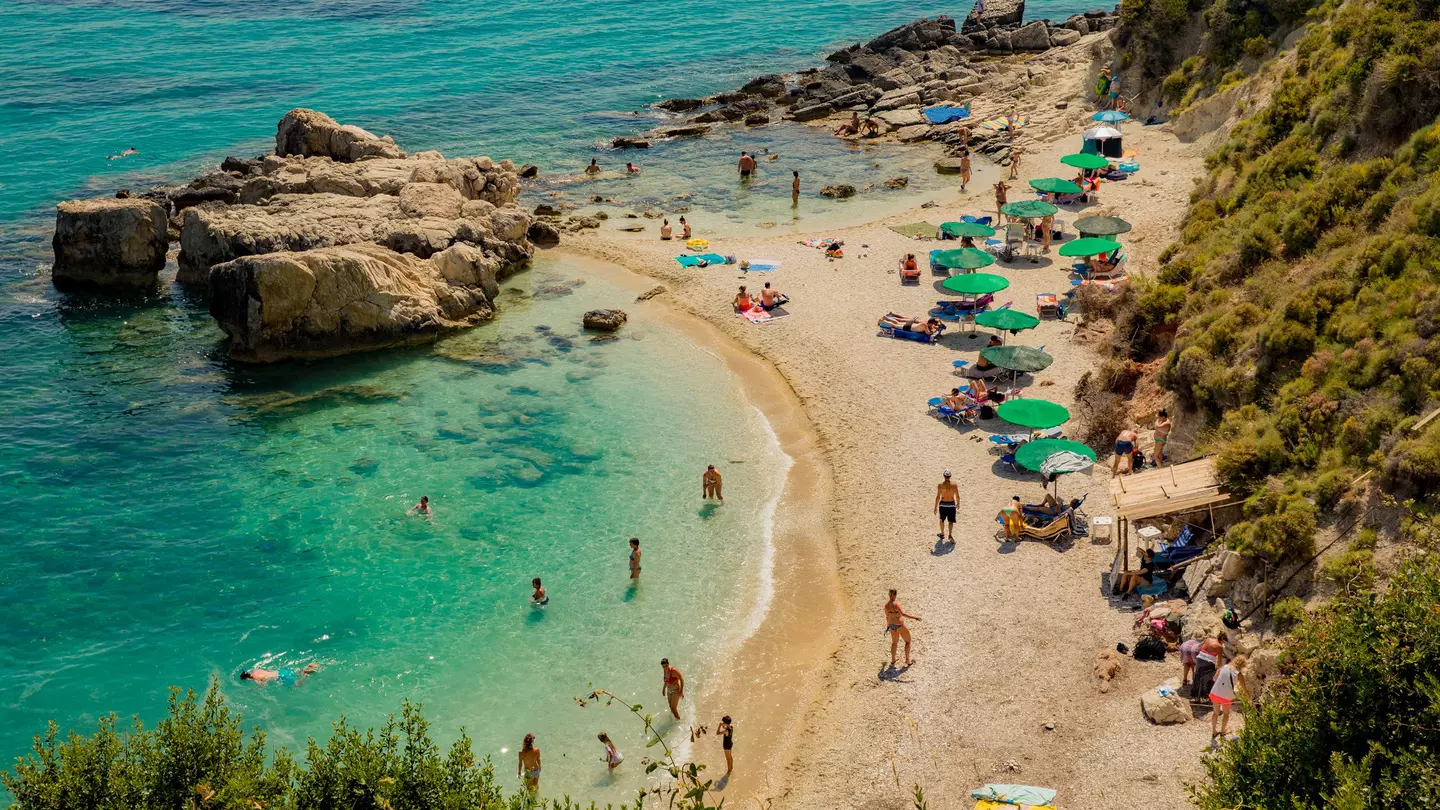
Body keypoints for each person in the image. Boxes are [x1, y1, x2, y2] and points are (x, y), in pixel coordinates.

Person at [1209, 655, 1248, 742]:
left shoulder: (1224, 667)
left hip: (1216, 692)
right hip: (1226, 695)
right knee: (1226, 714)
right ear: (1242, 665)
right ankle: (1223, 731)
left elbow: (1214, 678)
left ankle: (1214, 731)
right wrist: (1249, 699)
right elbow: (1245, 689)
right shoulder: (1239, 674)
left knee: (1215, 712)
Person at [884, 589, 920, 668]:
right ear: (894, 595)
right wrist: (915, 618)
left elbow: (887, 616)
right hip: (900, 625)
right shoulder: (896, 604)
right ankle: (907, 660)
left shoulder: (886, 605)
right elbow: (903, 614)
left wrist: (887, 625)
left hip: (892, 625)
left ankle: (893, 660)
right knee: (908, 641)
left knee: (894, 643)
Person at [1192, 631, 1226, 701]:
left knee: (1198, 677)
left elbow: (1199, 647)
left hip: (1200, 658)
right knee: (1208, 679)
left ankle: (1196, 698)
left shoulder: (1208, 639)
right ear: (1223, 639)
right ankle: (1206, 697)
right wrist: (1218, 669)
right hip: (1208, 662)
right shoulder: (1219, 647)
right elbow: (1219, 662)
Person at [240, 663, 319, 686]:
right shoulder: (256, 670)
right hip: (281, 671)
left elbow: (264, 686)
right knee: (296, 672)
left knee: (298, 684)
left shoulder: (256, 679)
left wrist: (255, 689)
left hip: (281, 676)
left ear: (247, 678)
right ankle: (307, 666)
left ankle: (305, 674)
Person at [934, 470, 959, 543]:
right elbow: (957, 496)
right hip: (951, 504)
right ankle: (950, 535)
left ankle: (942, 534)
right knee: (951, 521)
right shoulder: (954, 485)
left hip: (943, 504)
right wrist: (958, 503)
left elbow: (938, 497)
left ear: (944, 476)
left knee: (942, 520)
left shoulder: (940, 485)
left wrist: (935, 507)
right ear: (950, 476)